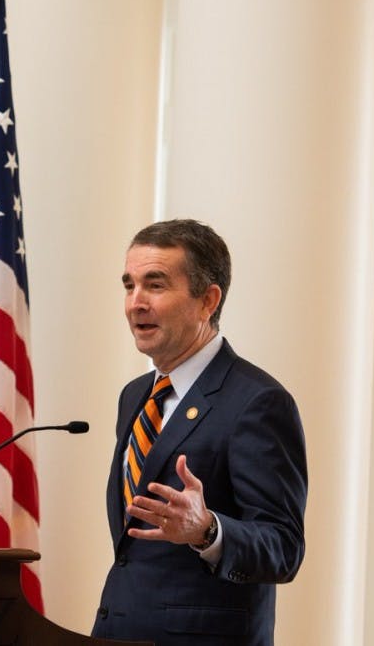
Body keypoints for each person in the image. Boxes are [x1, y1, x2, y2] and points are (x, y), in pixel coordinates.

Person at [91, 219, 308, 646]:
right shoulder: (134, 396)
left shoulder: (257, 401)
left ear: (208, 300)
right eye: (129, 285)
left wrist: (208, 530)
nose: (135, 302)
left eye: (155, 285)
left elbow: (284, 549)